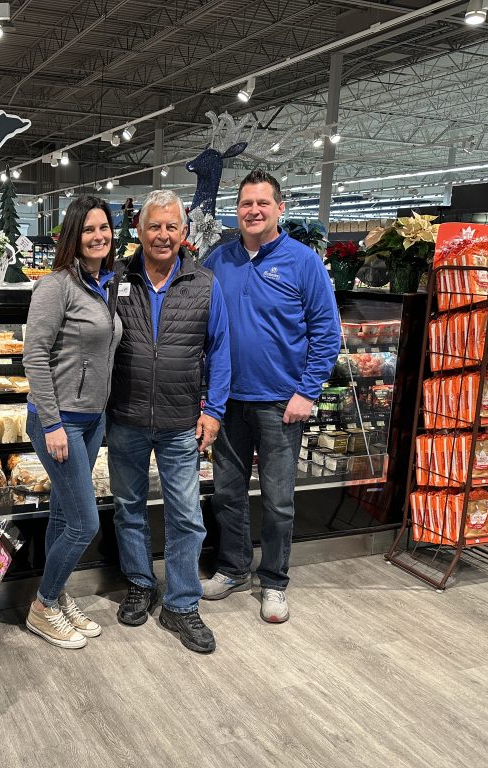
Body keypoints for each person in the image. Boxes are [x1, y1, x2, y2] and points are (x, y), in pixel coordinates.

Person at [201, 168, 341, 623]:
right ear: (236, 210)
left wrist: (307, 390)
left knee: (279, 499)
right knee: (227, 493)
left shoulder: (304, 262)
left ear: (280, 208)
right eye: (245, 203)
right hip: (227, 402)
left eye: (262, 203)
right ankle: (233, 567)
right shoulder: (217, 262)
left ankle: (275, 581)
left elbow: (327, 331)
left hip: (282, 403)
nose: (253, 211)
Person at [106, 189, 230, 654]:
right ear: (139, 230)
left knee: (187, 516)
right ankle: (141, 583)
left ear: (184, 232)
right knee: (129, 509)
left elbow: (220, 350)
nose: (162, 235)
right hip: (126, 417)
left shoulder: (205, 283)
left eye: (171, 227)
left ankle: (181, 604)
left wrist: (213, 411)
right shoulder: (117, 278)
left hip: (182, 422)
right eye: (154, 226)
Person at [22, 195, 122, 649]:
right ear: (72, 236)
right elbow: (35, 356)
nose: (98, 236)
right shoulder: (55, 286)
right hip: (60, 421)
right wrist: (53, 423)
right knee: (86, 523)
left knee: (64, 517)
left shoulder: (105, 284)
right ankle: (42, 605)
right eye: (88, 229)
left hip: (93, 418)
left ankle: (58, 595)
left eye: (104, 228)